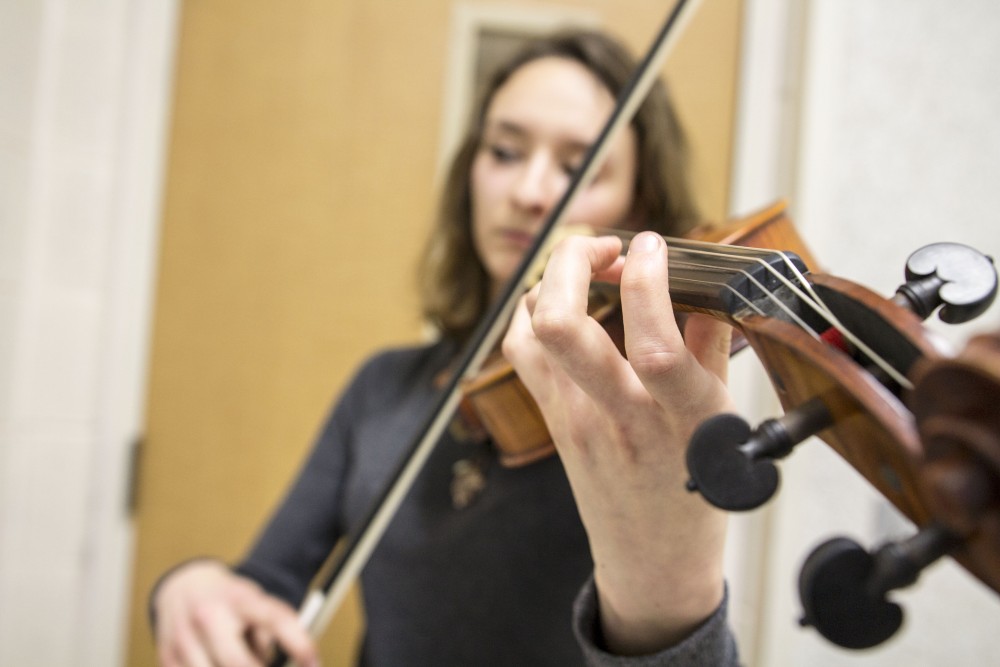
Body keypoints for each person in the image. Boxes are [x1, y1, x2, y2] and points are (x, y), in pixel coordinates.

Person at [150, 29, 740, 667]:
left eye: (579, 167)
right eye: (506, 151)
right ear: (471, 173)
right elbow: (265, 593)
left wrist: (673, 597)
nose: (531, 192)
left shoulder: (645, 419)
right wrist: (188, 586)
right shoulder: (384, 389)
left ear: (640, 202)